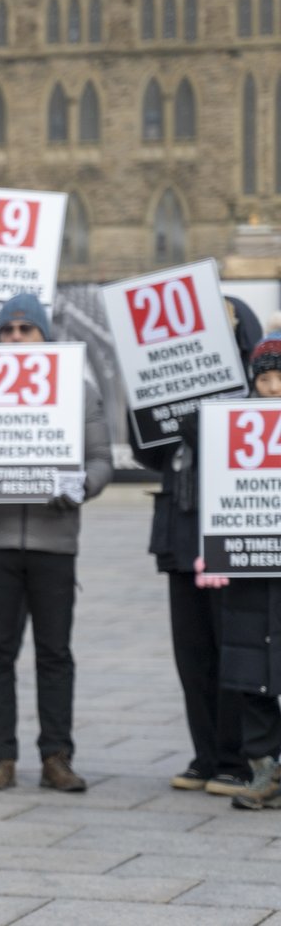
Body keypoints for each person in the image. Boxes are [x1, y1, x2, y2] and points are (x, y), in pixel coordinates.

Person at [0, 293, 113, 793]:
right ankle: (1, 757)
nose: (16, 339)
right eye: (8, 330)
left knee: (54, 652)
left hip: (53, 542)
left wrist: (80, 486)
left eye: (26, 329)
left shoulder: (77, 390)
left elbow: (101, 458)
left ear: (45, 334)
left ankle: (56, 756)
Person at [130, 298, 262, 797]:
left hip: (230, 537)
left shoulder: (251, 393)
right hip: (180, 536)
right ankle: (205, 753)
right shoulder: (176, 387)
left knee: (233, 650)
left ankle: (235, 756)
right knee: (193, 655)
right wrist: (144, 396)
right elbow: (147, 451)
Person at [202, 332, 281, 810]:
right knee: (252, 667)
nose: (272, 388)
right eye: (265, 379)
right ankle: (262, 766)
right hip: (249, 567)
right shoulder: (233, 426)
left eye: (280, 379)